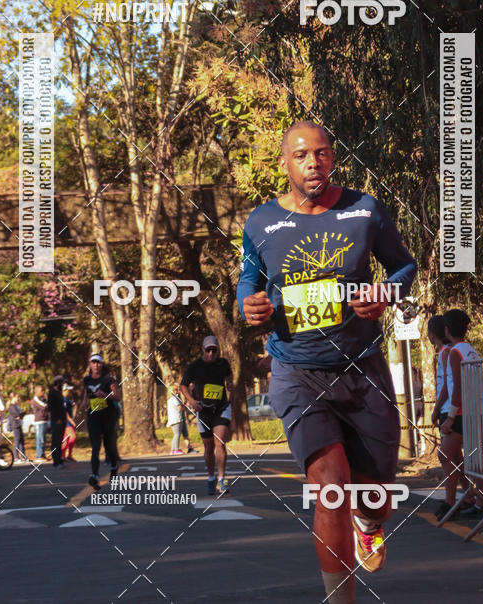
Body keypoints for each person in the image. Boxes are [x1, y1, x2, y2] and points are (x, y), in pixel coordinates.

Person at [237, 121, 417, 604]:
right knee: (330, 487)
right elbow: (247, 281)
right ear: (285, 163)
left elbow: (403, 265)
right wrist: (248, 304)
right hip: (297, 371)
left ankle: (370, 521)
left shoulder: (364, 210)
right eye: (301, 155)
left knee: (376, 492)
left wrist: (386, 291)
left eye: (320, 153)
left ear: (333, 158)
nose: (312, 162)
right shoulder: (260, 222)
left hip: (363, 368)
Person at [440, 308, 483, 518]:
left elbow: (457, 386)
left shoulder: (454, 353)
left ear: (447, 330)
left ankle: (452, 503)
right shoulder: (470, 349)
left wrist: (450, 416)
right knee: (473, 459)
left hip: (460, 412)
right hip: (475, 409)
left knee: (446, 454)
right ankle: (478, 501)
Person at [180, 337, 233, 494]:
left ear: (218, 350)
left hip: (221, 408)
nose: (211, 353)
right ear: (202, 350)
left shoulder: (223, 363)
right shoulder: (194, 366)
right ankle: (211, 477)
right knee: (208, 447)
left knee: (220, 442)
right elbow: (183, 385)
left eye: (214, 350)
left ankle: (222, 480)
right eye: (208, 350)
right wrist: (191, 401)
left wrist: (229, 383)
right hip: (203, 411)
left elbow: (229, 376)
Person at [428, 314, 462, 520]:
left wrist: (437, 408)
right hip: (449, 410)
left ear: (433, 334)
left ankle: (451, 502)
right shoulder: (446, 352)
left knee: (445, 455)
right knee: (456, 458)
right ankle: (467, 497)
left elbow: (448, 388)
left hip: (451, 410)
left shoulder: (446, 353)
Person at [81, 353, 121, 488]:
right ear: (90, 365)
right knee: (95, 446)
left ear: (102, 364)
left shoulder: (108, 379)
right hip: (94, 417)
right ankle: (95, 476)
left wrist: (106, 396)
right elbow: (86, 394)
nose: (96, 365)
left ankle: (114, 468)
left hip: (108, 416)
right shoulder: (87, 380)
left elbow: (117, 396)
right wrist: (83, 404)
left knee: (109, 446)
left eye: (98, 362)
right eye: (93, 362)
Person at [167, 385, 195, 455]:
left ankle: (173, 450)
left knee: (175, 434)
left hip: (172, 419)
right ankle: (176, 449)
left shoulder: (170, 400)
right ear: (174, 391)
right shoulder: (175, 399)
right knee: (177, 434)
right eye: (177, 390)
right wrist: (184, 405)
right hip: (177, 419)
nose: (178, 391)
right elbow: (179, 408)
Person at [48, 376, 67, 468]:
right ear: (58, 383)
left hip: (62, 420)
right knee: (55, 441)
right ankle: (56, 461)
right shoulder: (52, 393)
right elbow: (51, 408)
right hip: (56, 421)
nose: (62, 385)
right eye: (61, 383)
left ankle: (60, 459)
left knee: (60, 441)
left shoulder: (59, 393)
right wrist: (57, 419)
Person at [7, 393, 26, 463]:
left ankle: (23, 457)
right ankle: (16, 457)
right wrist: (20, 414)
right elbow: (17, 414)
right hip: (15, 425)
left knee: (21, 441)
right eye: (17, 397)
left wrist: (21, 415)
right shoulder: (11, 406)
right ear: (13, 398)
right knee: (17, 441)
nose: (18, 399)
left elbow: (21, 414)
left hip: (19, 424)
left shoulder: (16, 406)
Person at [61, 384, 77, 462]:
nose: (69, 392)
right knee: (72, 437)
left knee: (66, 439)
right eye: (68, 390)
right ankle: (64, 456)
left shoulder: (66, 399)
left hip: (67, 423)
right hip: (66, 423)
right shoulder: (63, 400)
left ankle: (66, 456)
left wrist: (72, 404)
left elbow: (69, 405)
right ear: (64, 391)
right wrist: (71, 421)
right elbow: (64, 412)